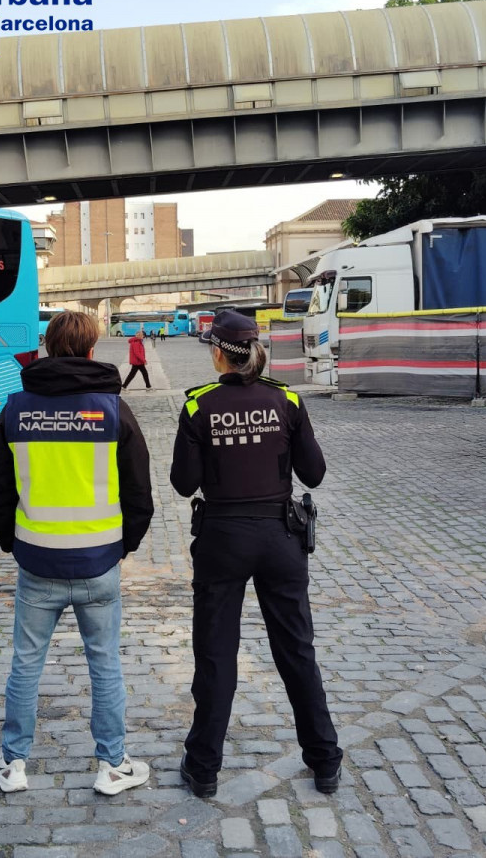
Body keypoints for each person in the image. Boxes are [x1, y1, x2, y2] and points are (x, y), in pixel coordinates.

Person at [0, 310, 155, 796]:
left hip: (37, 560)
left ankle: (13, 763)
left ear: (49, 348)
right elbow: (140, 493)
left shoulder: (16, 409)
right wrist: (124, 546)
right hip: (100, 561)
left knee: (25, 664)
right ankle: (113, 764)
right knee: (105, 664)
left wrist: (13, 544)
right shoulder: (115, 410)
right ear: (92, 351)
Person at [170, 310, 343, 798]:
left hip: (222, 539)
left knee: (216, 655)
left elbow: (184, 484)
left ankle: (203, 768)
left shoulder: (198, 406)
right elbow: (314, 474)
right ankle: (325, 759)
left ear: (219, 353)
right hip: (279, 538)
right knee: (296, 651)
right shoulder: (286, 400)